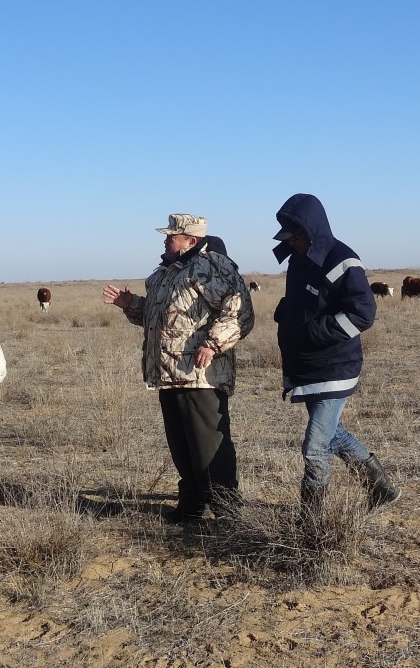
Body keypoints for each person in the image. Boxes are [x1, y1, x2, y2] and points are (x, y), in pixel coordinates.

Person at [103, 214, 254, 524]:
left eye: (171, 236)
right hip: (168, 374)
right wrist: (129, 303)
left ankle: (229, 515)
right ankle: (191, 506)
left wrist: (212, 344)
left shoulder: (212, 267)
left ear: (191, 240)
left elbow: (240, 313)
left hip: (200, 375)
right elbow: (155, 315)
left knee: (209, 448)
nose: (165, 241)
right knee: (182, 447)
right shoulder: (164, 273)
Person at [271, 193, 400, 511]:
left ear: (310, 229)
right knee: (330, 432)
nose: (292, 242)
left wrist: (314, 331)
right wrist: (288, 312)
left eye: (296, 235)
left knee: (315, 446)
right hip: (309, 364)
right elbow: (310, 303)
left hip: (336, 364)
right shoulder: (298, 260)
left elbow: (363, 312)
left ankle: (311, 527)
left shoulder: (341, 259)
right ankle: (378, 486)